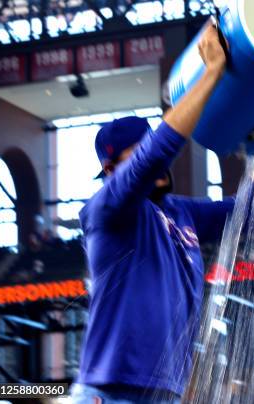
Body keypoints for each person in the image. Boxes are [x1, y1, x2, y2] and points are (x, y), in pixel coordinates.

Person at [71, 23, 232, 403]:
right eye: (136, 153)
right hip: (109, 393)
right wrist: (210, 73)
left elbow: (249, 213)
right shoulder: (106, 211)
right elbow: (157, 152)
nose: (156, 162)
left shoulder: (182, 213)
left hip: (164, 395)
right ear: (112, 172)